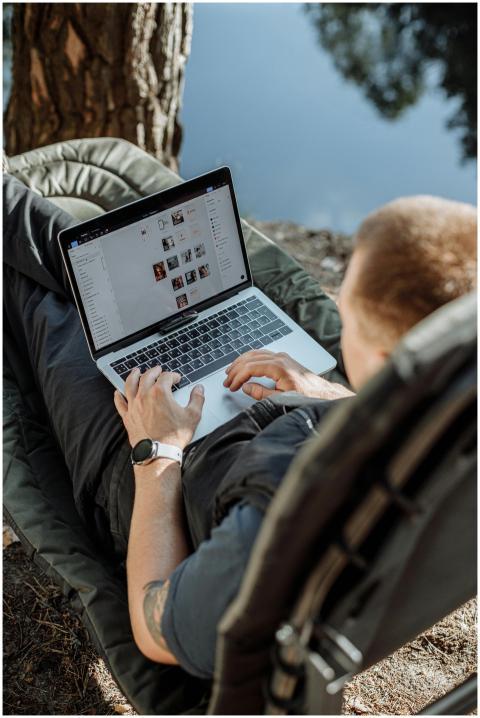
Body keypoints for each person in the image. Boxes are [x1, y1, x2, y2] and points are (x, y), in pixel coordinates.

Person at [3, 175, 476, 679]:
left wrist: (156, 452)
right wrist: (336, 396)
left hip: (164, 488)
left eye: (346, 302)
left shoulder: (277, 523)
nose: (337, 304)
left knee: (40, 300)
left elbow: (153, 627)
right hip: (251, 442)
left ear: (386, 357)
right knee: (91, 287)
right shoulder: (457, 433)